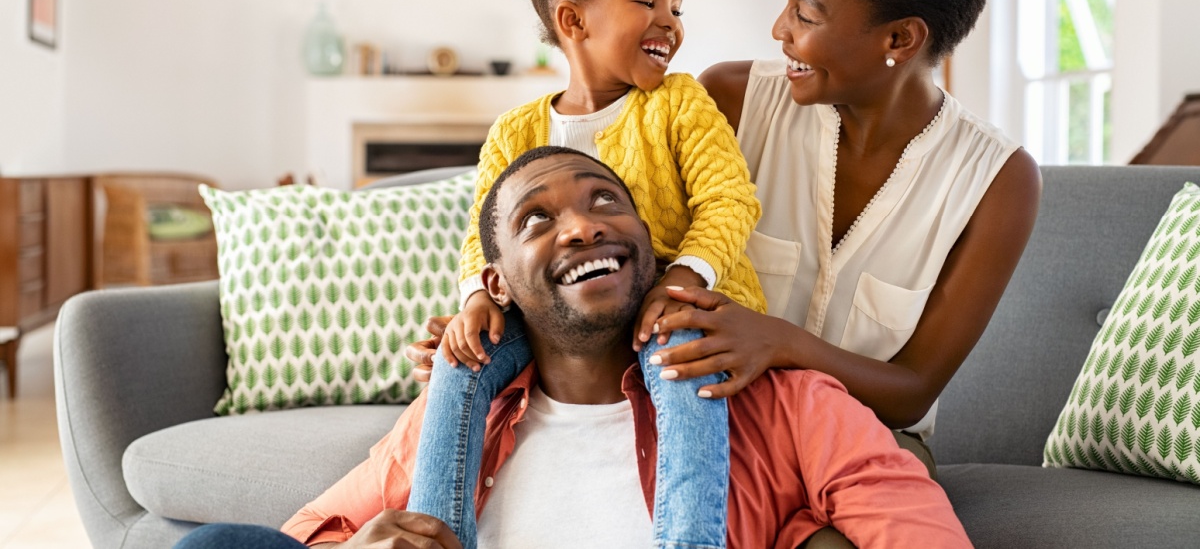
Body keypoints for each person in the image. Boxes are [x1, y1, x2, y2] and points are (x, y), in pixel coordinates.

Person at [263, 146, 967, 548]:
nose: (581, 227)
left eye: (606, 202)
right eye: (539, 218)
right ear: (496, 282)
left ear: (653, 253)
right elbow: (305, 529)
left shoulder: (788, 403)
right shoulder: (455, 416)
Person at [640, 0, 1041, 461]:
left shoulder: (999, 184)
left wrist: (781, 343)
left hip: (871, 446)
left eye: (805, 12)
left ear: (899, 39)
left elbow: (913, 391)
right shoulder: (729, 102)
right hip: (713, 423)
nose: (780, 29)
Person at [406, 0, 766, 549]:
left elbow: (728, 199)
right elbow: (481, 233)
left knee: (681, 361)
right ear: (573, 21)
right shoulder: (514, 131)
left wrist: (681, 280)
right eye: (647, 1)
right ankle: (434, 534)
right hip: (557, 323)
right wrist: (476, 300)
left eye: (677, 7)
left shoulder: (679, 102)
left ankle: (687, 540)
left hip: (669, 304)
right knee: (460, 365)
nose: (671, 22)